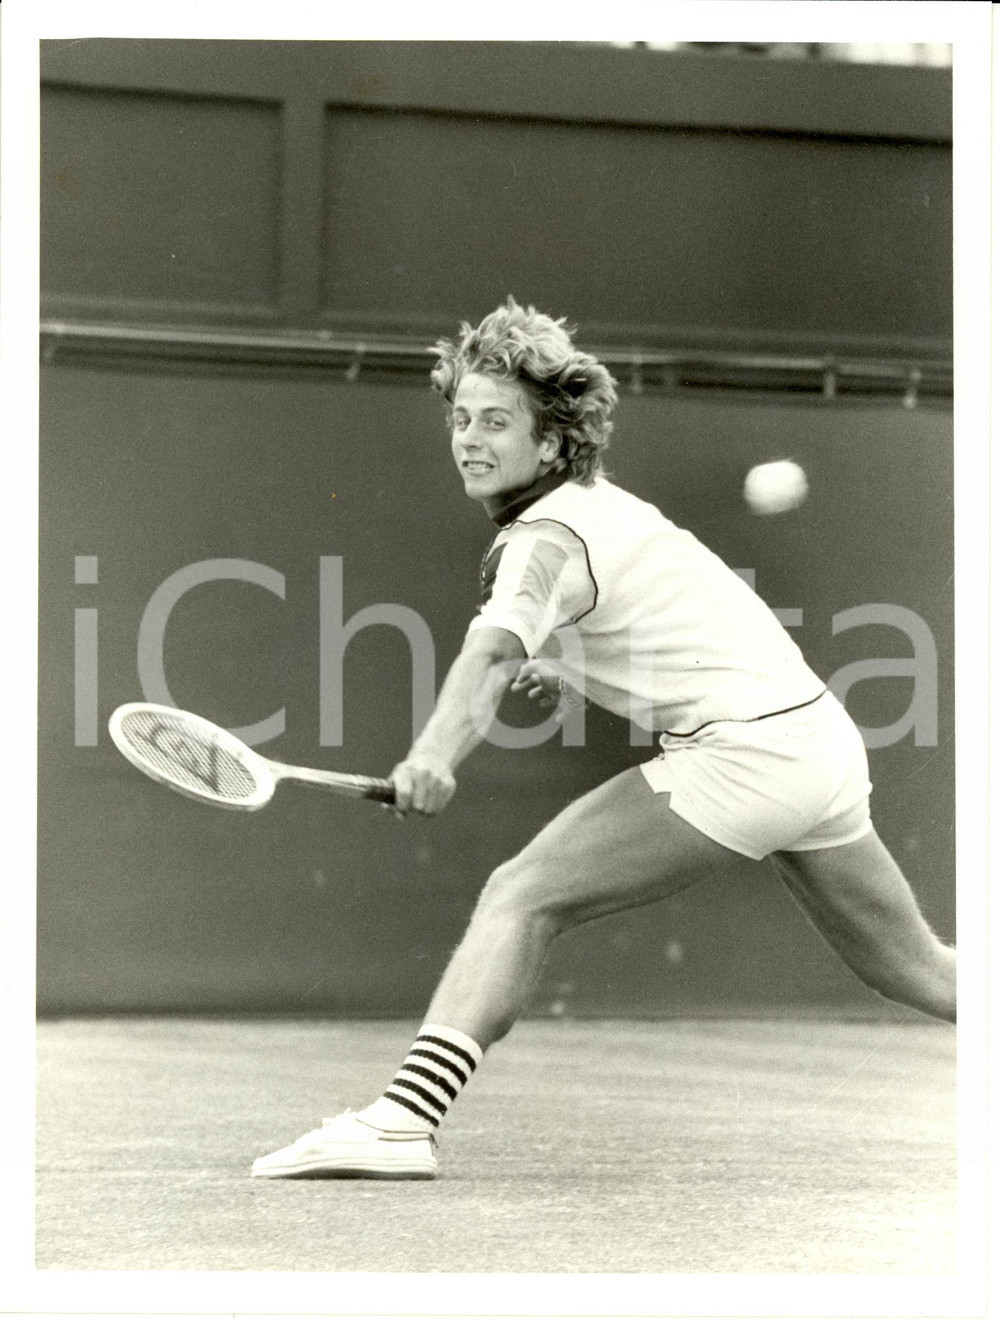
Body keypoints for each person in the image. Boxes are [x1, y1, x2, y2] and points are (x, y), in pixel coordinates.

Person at [251, 298, 956, 1181]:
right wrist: (572, 668)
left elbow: (496, 648)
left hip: (745, 755)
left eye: (496, 421)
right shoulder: (595, 507)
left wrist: (433, 753)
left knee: (522, 894)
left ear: (549, 443)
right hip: (816, 744)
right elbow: (639, 621)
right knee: (918, 971)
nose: (469, 438)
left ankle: (401, 1121)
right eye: (461, 418)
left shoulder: (544, 537)